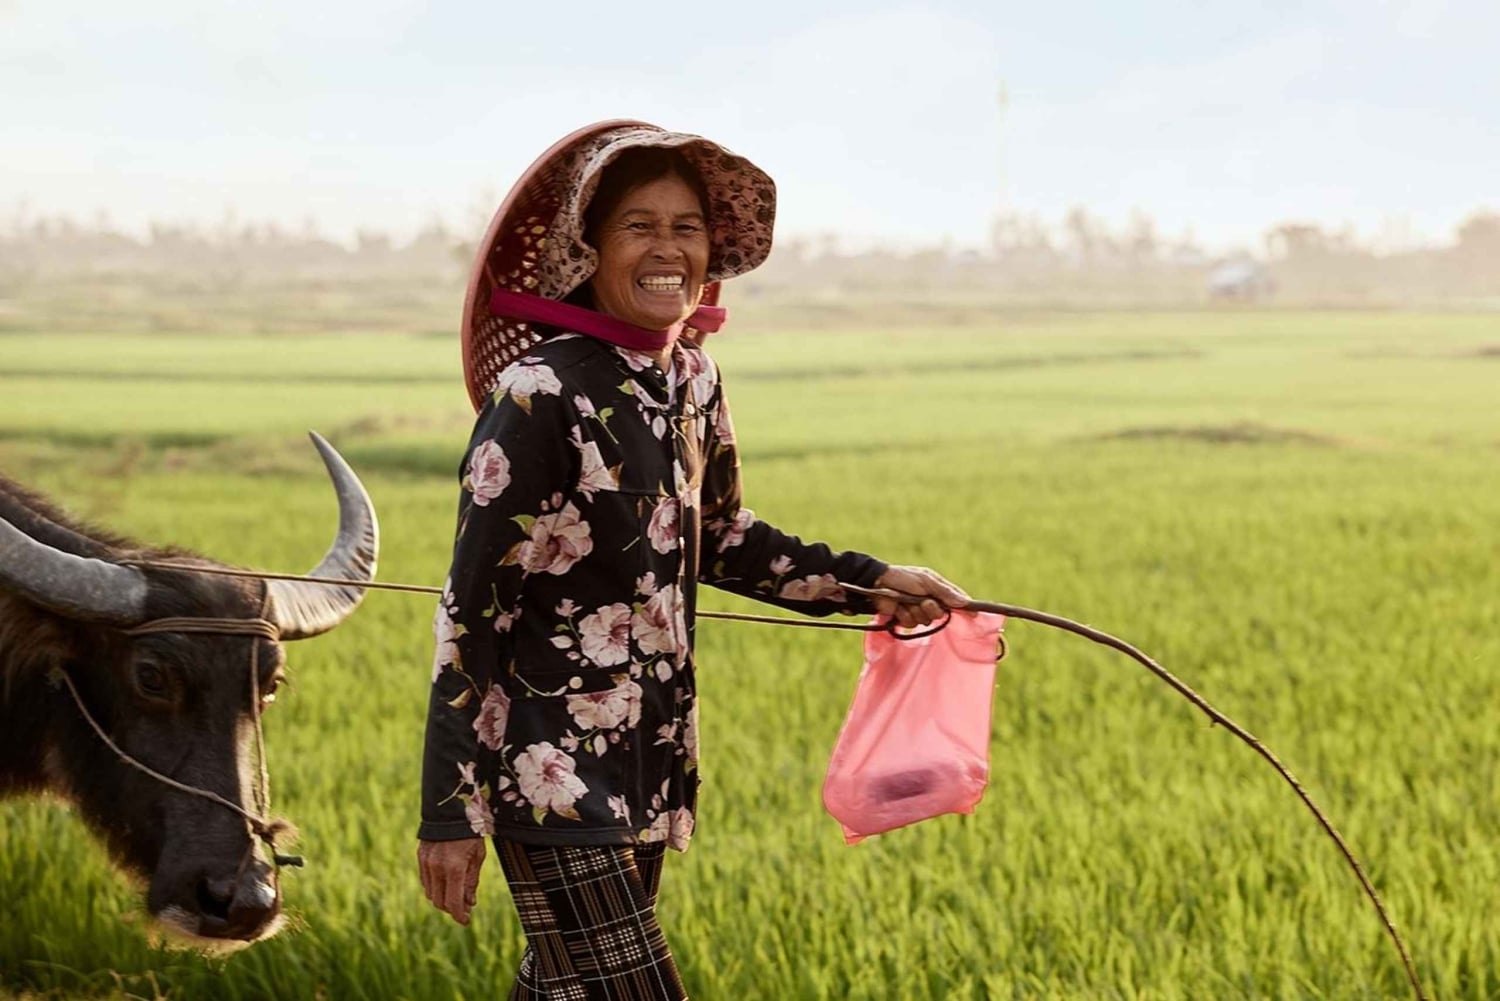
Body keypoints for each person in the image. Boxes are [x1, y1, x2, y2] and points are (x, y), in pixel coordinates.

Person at [417, 121, 968, 1000]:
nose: (666, 248)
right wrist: (449, 809)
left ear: (713, 250)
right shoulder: (540, 394)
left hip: (653, 762)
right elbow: (470, 611)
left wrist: (871, 581)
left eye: (687, 227)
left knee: (569, 992)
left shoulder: (693, 381)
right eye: (638, 226)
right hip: (546, 772)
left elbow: (725, 535)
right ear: (590, 248)